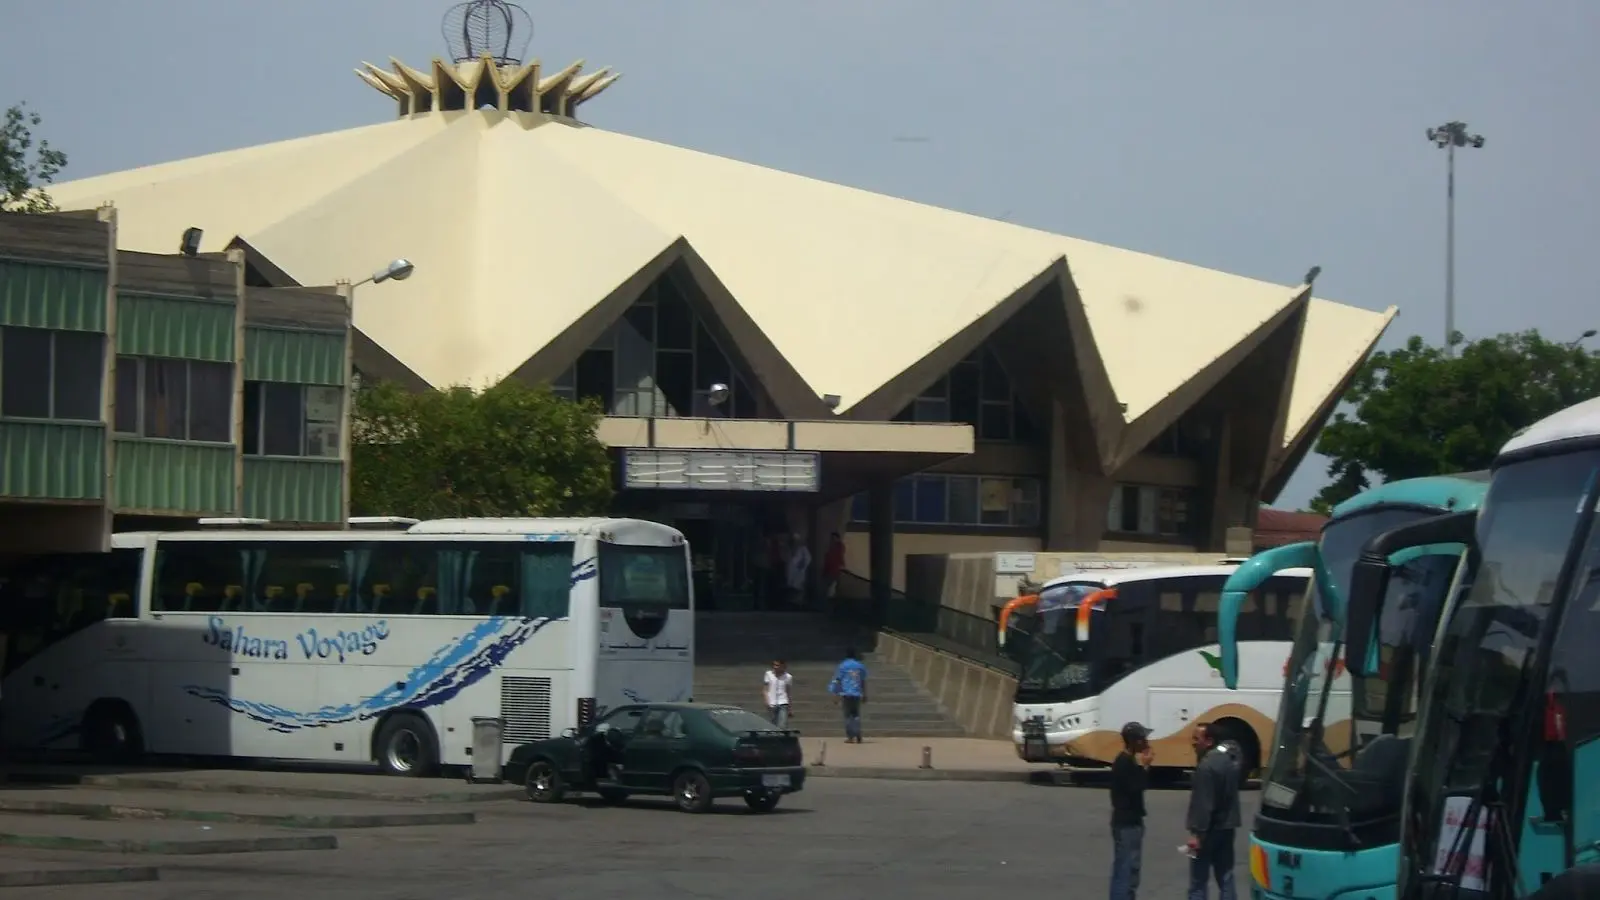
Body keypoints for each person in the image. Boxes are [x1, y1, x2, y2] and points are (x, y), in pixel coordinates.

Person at [1185, 722, 1242, 900]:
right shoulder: (1231, 760)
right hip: (1227, 827)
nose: (1193, 743)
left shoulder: (1206, 767)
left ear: (1209, 741)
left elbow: (1203, 804)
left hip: (1208, 830)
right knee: (1226, 876)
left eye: (1197, 739)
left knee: (1198, 882)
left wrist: (1196, 834)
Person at [1109, 722, 1154, 900]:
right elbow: (1137, 787)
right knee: (1126, 870)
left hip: (1129, 822)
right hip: (1127, 824)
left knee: (1130, 869)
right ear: (1134, 741)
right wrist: (1146, 766)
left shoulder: (1127, 761)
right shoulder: (1124, 763)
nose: (1147, 742)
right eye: (1143, 739)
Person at [828, 647, 868, 743]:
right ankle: (858, 733)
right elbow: (862, 681)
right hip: (857, 693)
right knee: (856, 714)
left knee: (848, 716)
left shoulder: (842, 666)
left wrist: (835, 693)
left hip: (846, 693)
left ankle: (850, 736)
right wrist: (865, 693)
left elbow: (837, 680)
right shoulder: (860, 666)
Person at [763, 659, 793, 728]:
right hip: (771, 703)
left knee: (782, 725)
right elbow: (765, 689)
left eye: (777, 665)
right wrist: (767, 701)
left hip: (783, 702)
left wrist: (790, 708)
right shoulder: (768, 674)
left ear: (783, 666)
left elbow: (788, 692)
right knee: (772, 724)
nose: (775, 667)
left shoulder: (788, 677)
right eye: (774, 665)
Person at [786, 534, 811, 606]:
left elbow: (808, 558)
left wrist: (803, 564)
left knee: (799, 587)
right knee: (793, 587)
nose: (794, 542)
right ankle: (794, 602)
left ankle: (800, 602)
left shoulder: (803, 548)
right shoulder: (790, 549)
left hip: (800, 571)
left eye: (795, 540)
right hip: (792, 572)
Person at [822, 533, 846, 600]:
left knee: (831, 586)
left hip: (833, 569)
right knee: (831, 586)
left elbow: (837, 557)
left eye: (833, 538)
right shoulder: (834, 546)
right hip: (831, 569)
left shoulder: (838, 546)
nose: (832, 540)